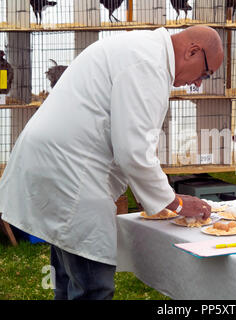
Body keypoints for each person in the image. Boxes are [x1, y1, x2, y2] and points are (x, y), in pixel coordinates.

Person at [0, 25, 224, 300]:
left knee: (69, 278)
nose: (199, 83)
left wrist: (151, 194)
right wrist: (174, 202)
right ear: (193, 51)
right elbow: (133, 151)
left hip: (57, 163)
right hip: (72, 174)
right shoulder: (148, 64)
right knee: (93, 286)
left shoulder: (145, 51)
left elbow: (132, 138)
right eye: (205, 73)